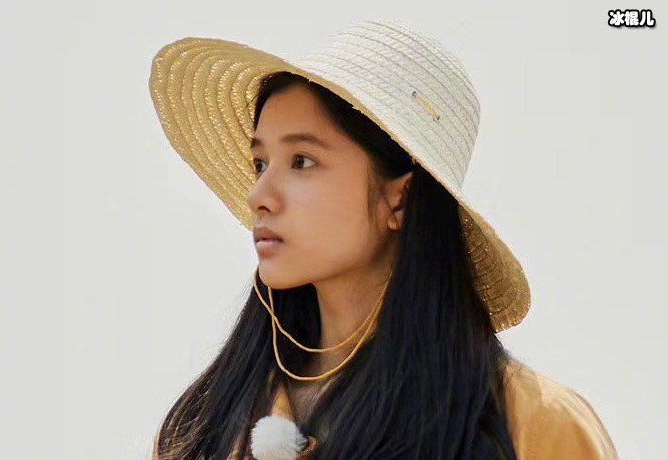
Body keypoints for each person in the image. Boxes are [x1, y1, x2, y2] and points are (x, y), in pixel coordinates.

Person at [147, 20, 618, 459]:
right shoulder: (206, 427)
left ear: (401, 200)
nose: (259, 196)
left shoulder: (532, 424)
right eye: (260, 164)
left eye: (302, 161)